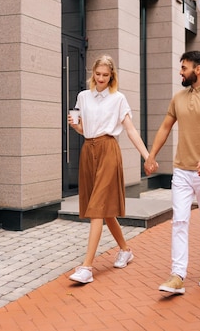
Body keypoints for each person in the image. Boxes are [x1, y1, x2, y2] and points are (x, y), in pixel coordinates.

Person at [144, 51, 200, 295]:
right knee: (179, 221)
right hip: (181, 170)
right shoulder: (178, 98)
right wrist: (151, 155)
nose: (180, 72)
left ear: (198, 69)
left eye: (184, 68)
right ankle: (177, 275)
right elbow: (165, 127)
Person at [67, 55, 155, 284]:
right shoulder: (83, 97)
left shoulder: (118, 99)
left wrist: (147, 156)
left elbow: (131, 130)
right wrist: (77, 127)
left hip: (108, 150)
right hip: (88, 150)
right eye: (98, 74)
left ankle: (87, 267)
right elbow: (85, 129)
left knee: (96, 208)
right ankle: (125, 250)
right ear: (93, 73)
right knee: (104, 210)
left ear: (112, 76)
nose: (101, 79)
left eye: (106, 75)